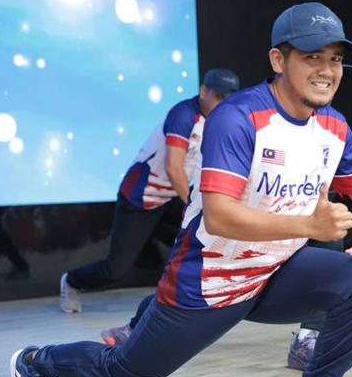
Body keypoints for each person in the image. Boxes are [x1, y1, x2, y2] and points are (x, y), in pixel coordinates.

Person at [9, 2, 352, 377]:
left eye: (336, 59)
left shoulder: (334, 126)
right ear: (278, 59)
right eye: (312, 57)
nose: (327, 70)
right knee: (124, 373)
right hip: (210, 279)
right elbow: (220, 215)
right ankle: (35, 363)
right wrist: (309, 224)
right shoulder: (239, 117)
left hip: (276, 272)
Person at [58, 69, 240, 312]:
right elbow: (174, 167)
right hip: (141, 198)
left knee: (205, 238)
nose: (223, 104)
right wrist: (192, 207)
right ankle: (72, 281)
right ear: (204, 91)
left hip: (170, 198)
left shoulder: (219, 120)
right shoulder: (183, 114)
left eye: (228, 99)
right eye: (219, 97)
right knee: (116, 269)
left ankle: (199, 301)